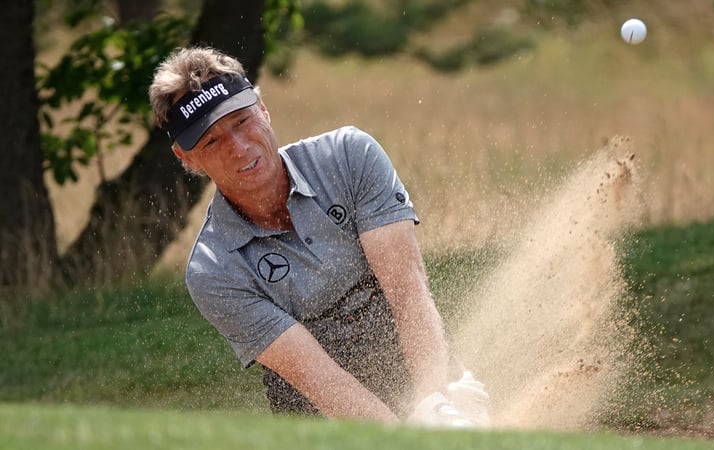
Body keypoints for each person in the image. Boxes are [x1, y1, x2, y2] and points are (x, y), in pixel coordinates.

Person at [148, 46, 489, 426]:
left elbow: (408, 291)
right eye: (211, 141)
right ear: (187, 159)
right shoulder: (213, 271)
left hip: (432, 381)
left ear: (263, 109)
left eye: (242, 121)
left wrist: (433, 403)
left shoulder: (349, 156)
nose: (238, 148)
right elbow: (318, 380)